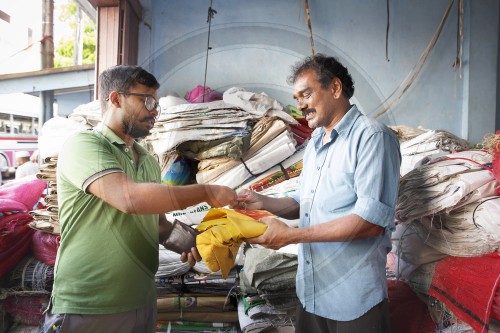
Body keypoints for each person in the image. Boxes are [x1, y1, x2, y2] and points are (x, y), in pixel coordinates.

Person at [41, 65, 237, 333]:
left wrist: (193, 240)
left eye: (156, 102)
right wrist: (207, 192)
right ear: (115, 99)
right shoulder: (84, 145)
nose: (154, 109)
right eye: (147, 100)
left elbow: (157, 225)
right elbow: (129, 199)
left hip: (141, 300)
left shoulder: (147, 161)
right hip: (89, 305)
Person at [233, 54, 401, 333]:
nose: (300, 105)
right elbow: (303, 204)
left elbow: (369, 223)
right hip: (311, 296)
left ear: (335, 88)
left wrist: (290, 236)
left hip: (354, 301)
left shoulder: (373, 138)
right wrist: (262, 201)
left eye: (306, 94)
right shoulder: (315, 144)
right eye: (297, 97)